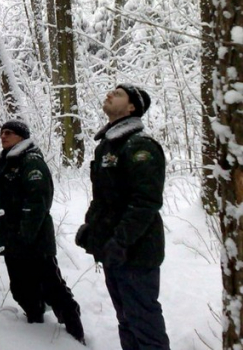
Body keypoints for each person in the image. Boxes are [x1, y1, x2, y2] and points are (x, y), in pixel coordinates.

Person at [76, 84, 170, 350]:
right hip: (113, 251)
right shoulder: (107, 146)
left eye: (117, 94)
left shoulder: (141, 146)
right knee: (126, 319)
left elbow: (146, 202)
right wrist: (91, 228)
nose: (108, 94)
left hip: (137, 251)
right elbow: (103, 198)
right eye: (109, 91)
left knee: (144, 321)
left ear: (132, 107)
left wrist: (121, 241)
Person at [0, 119, 85, 344]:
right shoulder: (8, 162)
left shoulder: (31, 162)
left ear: (22, 137)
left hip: (34, 241)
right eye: (1, 133)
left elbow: (38, 202)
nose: (3, 136)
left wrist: (25, 235)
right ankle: (35, 326)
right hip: (12, 238)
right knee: (21, 287)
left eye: (9, 133)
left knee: (51, 286)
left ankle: (75, 331)